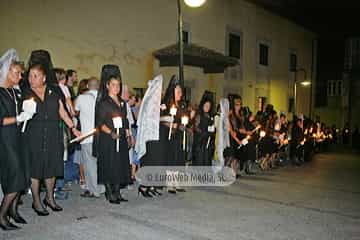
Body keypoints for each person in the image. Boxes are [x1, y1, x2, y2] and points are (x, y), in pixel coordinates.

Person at [23, 50, 81, 216]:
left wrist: (73, 127)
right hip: (34, 136)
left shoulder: (54, 92)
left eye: (35, 76)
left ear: (44, 77)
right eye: (30, 75)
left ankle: (49, 197)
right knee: (35, 169)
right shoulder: (26, 93)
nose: (31, 79)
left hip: (53, 135)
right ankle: (36, 201)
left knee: (51, 167)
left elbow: (62, 112)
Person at [0, 49, 31, 230]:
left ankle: (13, 211)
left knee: (23, 173)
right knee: (15, 176)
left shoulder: (14, 92)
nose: (20, 77)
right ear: (6, 71)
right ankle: (2, 215)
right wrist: (18, 118)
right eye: (17, 73)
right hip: (5, 139)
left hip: (18, 137)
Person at [93, 64, 131, 204]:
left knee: (119, 164)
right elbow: (100, 123)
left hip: (120, 137)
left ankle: (117, 192)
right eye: (113, 85)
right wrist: (111, 133)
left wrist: (128, 135)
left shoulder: (121, 102)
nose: (116, 88)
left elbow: (125, 120)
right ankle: (110, 193)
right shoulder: (104, 103)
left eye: (118, 85)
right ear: (108, 85)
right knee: (110, 164)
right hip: (108, 139)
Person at [75, 77, 105, 198]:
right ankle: (101, 187)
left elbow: (75, 111)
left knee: (89, 164)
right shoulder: (102, 98)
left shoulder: (82, 97)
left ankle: (94, 190)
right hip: (101, 137)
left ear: (87, 86)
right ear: (98, 86)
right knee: (100, 164)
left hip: (87, 136)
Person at [192, 91, 215, 166]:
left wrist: (212, 131)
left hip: (207, 141)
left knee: (207, 158)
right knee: (200, 159)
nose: (207, 108)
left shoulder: (209, 116)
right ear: (202, 105)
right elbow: (196, 127)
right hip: (200, 141)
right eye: (206, 106)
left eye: (209, 106)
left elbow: (211, 127)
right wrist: (203, 133)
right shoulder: (199, 115)